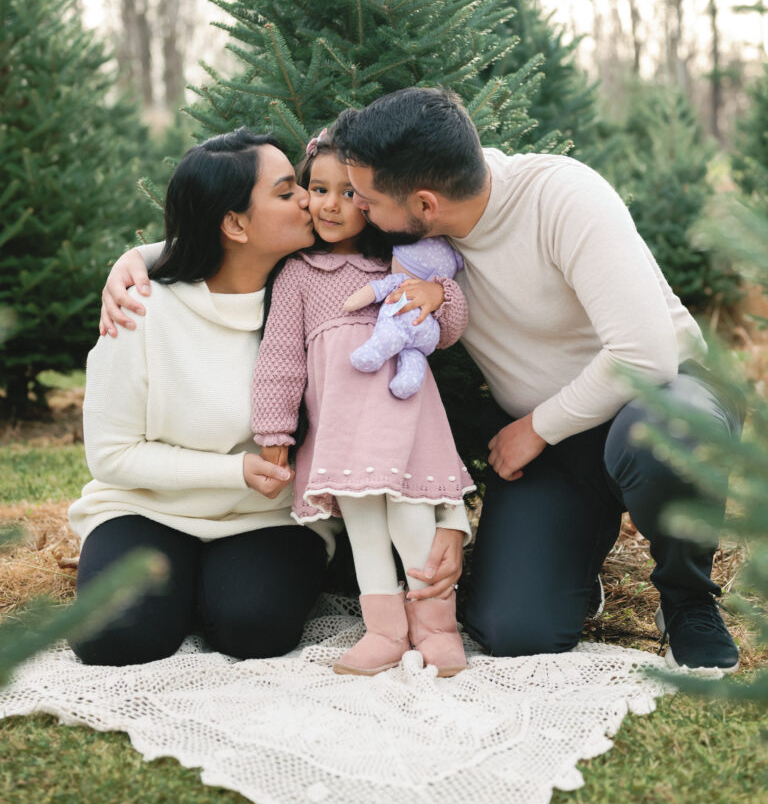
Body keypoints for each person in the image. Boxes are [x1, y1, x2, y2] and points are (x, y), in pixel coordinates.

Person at [328, 86, 743, 673]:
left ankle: (687, 601)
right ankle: (574, 569)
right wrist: (151, 260)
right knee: (515, 628)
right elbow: (268, 234)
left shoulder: (562, 196)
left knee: (665, 433)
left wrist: (538, 428)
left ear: (424, 203)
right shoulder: (417, 242)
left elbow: (646, 355)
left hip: (663, 399)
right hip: (556, 447)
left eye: (365, 198)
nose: (356, 208)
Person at [90, 127, 469, 667]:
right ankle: (174, 588)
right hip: (149, 510)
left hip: (263, 518)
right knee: (119, 638)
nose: (319, 204)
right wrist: (237, 470)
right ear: (236, 224)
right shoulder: (139, 308)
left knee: (255, 629)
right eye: (292, 191)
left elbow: (411, 405)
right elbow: (109, 455)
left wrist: (450, 517)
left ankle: (222, 590)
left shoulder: (316, 283)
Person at [250, 130, 474, 677]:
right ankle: (384, 631)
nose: (330, 204)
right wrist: (274, 436)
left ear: (371, 202)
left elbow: (448, 330)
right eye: (317, 189)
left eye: (348, 193)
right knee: (366, 529)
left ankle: (437, 627)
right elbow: (280, 362)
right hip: (344, 431)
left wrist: (440, 295)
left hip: (406, 423)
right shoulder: (299, 277)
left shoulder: (400, 267)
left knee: (412, 521)